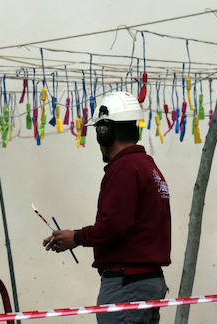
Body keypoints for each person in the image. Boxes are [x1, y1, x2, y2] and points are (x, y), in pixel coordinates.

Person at [43, 91, 172, 324]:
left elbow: (115, 225)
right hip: (146, 283)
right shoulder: (148, 167)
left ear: (105, 132)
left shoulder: (125, 168)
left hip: (127, 286)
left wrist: (76, 237)